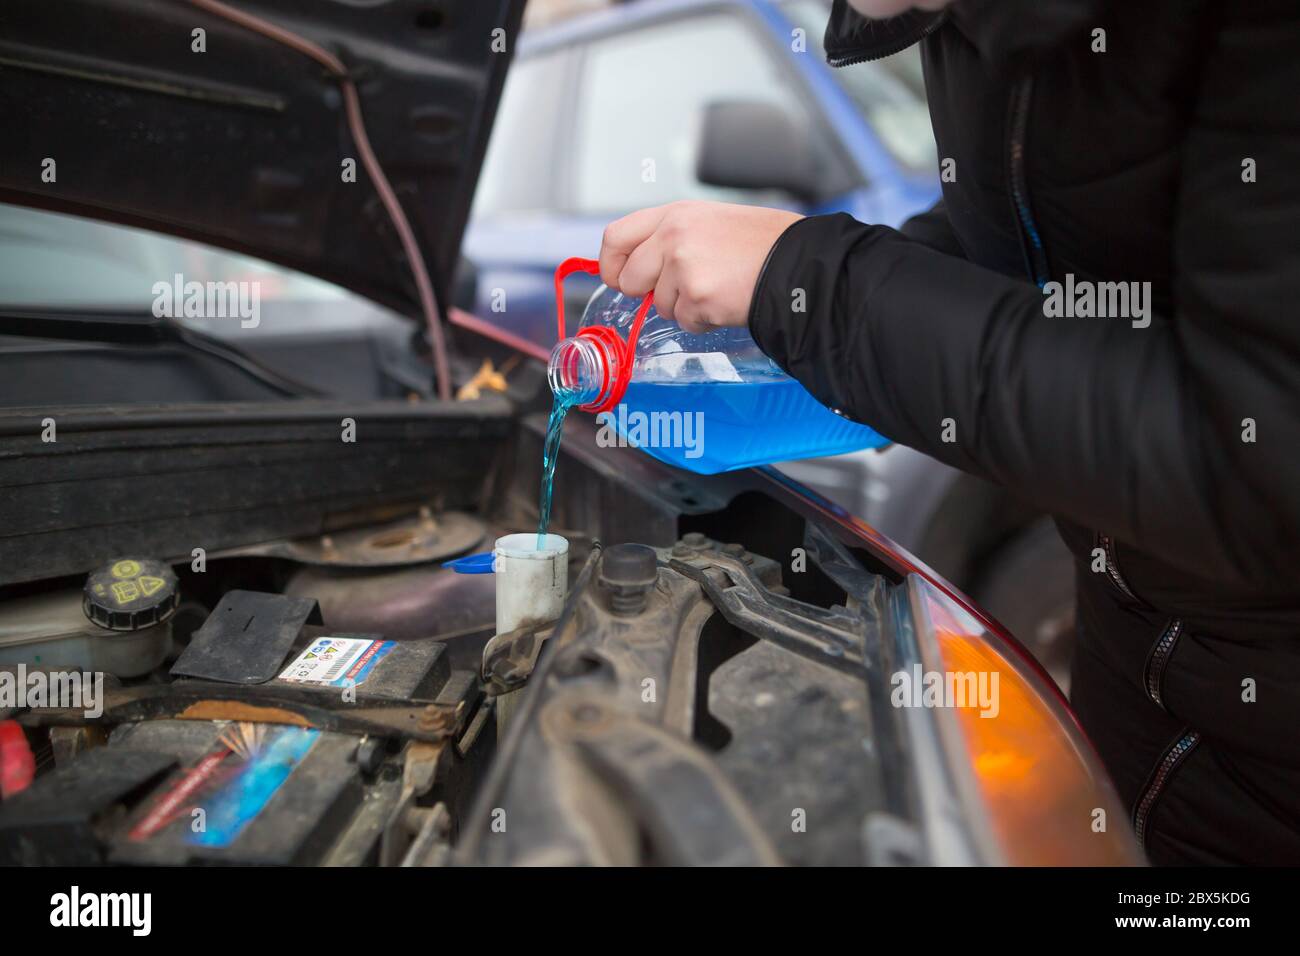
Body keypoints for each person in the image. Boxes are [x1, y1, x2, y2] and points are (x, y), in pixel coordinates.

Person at [597, 0, 1300, 865]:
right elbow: (1041, 262)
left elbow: (1255, 461)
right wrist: (806, 293)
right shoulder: (958, 18)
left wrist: (814, 279)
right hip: (1133, 647)